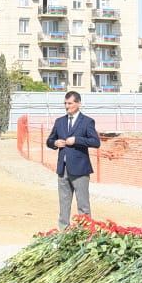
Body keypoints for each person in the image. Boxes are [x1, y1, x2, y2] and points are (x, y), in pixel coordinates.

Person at [45, 90, 100, 228]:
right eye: (65, 103)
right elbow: (49, 140)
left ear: (78, 104)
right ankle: (63, 232)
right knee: (64, 204)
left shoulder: (87, 121)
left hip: (80, 170)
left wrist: (77, 140)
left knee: (83, 205)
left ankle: (86, 233)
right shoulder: (59, 121)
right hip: (62, 170)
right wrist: (55, 143)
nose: (66, 106)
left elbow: (95, 142)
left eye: (70, 103)